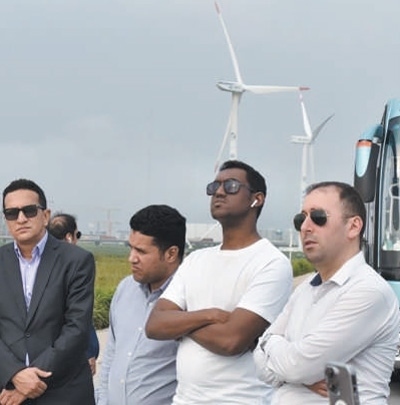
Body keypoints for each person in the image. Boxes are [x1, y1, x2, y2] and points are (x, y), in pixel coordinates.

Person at [145, 160, 293, 404]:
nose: (219, 192)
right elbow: (154, 325)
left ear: (257, 199)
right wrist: (211, 315)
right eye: (214, 187)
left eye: (231, 186)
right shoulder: (196, 259)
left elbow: (230, 341)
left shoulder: (271, 263)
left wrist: (180, 326)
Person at [253, 181, 400, 404]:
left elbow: (299, 366)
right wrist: (296, 373)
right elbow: (260, 365)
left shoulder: (368, 291)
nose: (305, 227)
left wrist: (269, 344)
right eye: (300, 219)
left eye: (318, 217)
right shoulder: (305, 289)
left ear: (353, 227)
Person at [0, 179, 95, 405]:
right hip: (8, 388)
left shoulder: (77, 261)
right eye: (12, 213)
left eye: (29, 211)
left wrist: (29, 382)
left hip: (64, 391)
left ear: (45, 215)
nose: (21, 219)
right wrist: (14, 374)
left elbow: (76, 328)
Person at [96, 204, 186, 405]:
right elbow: (111, 354)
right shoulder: (125, 289)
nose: (131, 258)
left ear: (171, 254)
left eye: (141, 251)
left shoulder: (190, 299)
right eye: (131, 248)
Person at [48, 212, 100, 376]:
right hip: (72, 356)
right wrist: (89, 352)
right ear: (69, 237)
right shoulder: (78, 263)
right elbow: (80, 316)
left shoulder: (37, 261)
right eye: (78, 235)